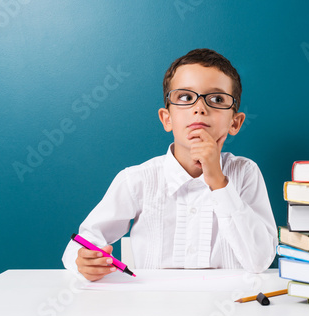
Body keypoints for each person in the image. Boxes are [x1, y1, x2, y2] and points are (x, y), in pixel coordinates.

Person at [62, 48, 278, 281]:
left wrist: (218, 181)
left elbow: (260, 261)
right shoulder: (137, 180)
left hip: (231, 307)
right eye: (185, 97)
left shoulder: (245, 173)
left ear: (235, 123)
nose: (200, 108)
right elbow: (80, 244)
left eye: (216, 99)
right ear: (167, 119)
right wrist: (82, 261)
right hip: (156, 310)